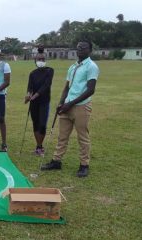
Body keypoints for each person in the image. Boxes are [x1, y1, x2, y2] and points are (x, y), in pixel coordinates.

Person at [41, 40, 99, 177]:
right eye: (78, 48)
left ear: (90, 51)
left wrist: (70, 103)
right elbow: (67, 87)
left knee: (83, 137)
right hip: (67, 105)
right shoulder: (73, 67)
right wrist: (61, 103)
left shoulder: (91, 66)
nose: (80, 50)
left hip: (81, 106)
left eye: (84, 48)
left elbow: (91, 90)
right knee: (62, 136)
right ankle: (56, 161)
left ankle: (84, 165)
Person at [24, 46, 54, 156]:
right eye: (38, 60)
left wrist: (35, 95)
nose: (40, 61)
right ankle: (38, 146)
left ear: (45, 60)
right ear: (35, 61)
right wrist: (28, 95)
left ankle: (40, 147)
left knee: (42, 125)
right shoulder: (32, 74)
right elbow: (30, 87)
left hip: (44, 102)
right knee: (35, 124)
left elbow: (46, 85)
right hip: (34, 103)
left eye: (42, 59)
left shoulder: (49, 71)